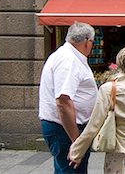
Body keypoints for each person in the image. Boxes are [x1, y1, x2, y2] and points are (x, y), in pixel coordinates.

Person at [68, 46, 125, 174]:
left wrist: (77, 151)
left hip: (119, 148)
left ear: (118, 63)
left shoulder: (108, 89)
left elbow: (94, 124)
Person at [38, 21, 97, 174]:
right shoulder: (68, 61)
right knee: (71, 170)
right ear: (86, 42)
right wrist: (76, 141)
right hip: (65, 129)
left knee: (66, 169)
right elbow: (63, 102)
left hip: (65, 127)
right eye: (92, 41)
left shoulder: (68, 56)